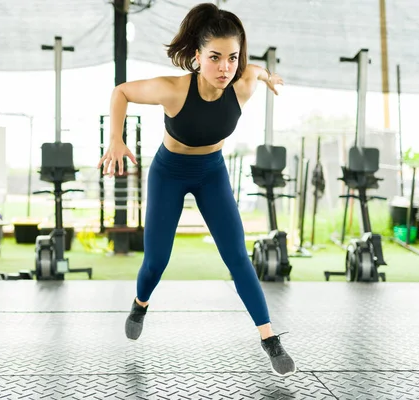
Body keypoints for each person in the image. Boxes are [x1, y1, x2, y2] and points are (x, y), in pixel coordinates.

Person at [97, 2, 296, 377]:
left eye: (232, 58)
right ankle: (140, 303)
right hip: (169, 173)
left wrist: (268, 77)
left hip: (211, 173)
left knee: (237, 256)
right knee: (157, 260)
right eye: (215, 57)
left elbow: (254, 70)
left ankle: (270, 339)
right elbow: (121, 91)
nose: (225, 67)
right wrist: (116, 140)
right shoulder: (172, 90)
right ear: (196, 56)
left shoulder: (243, 84)